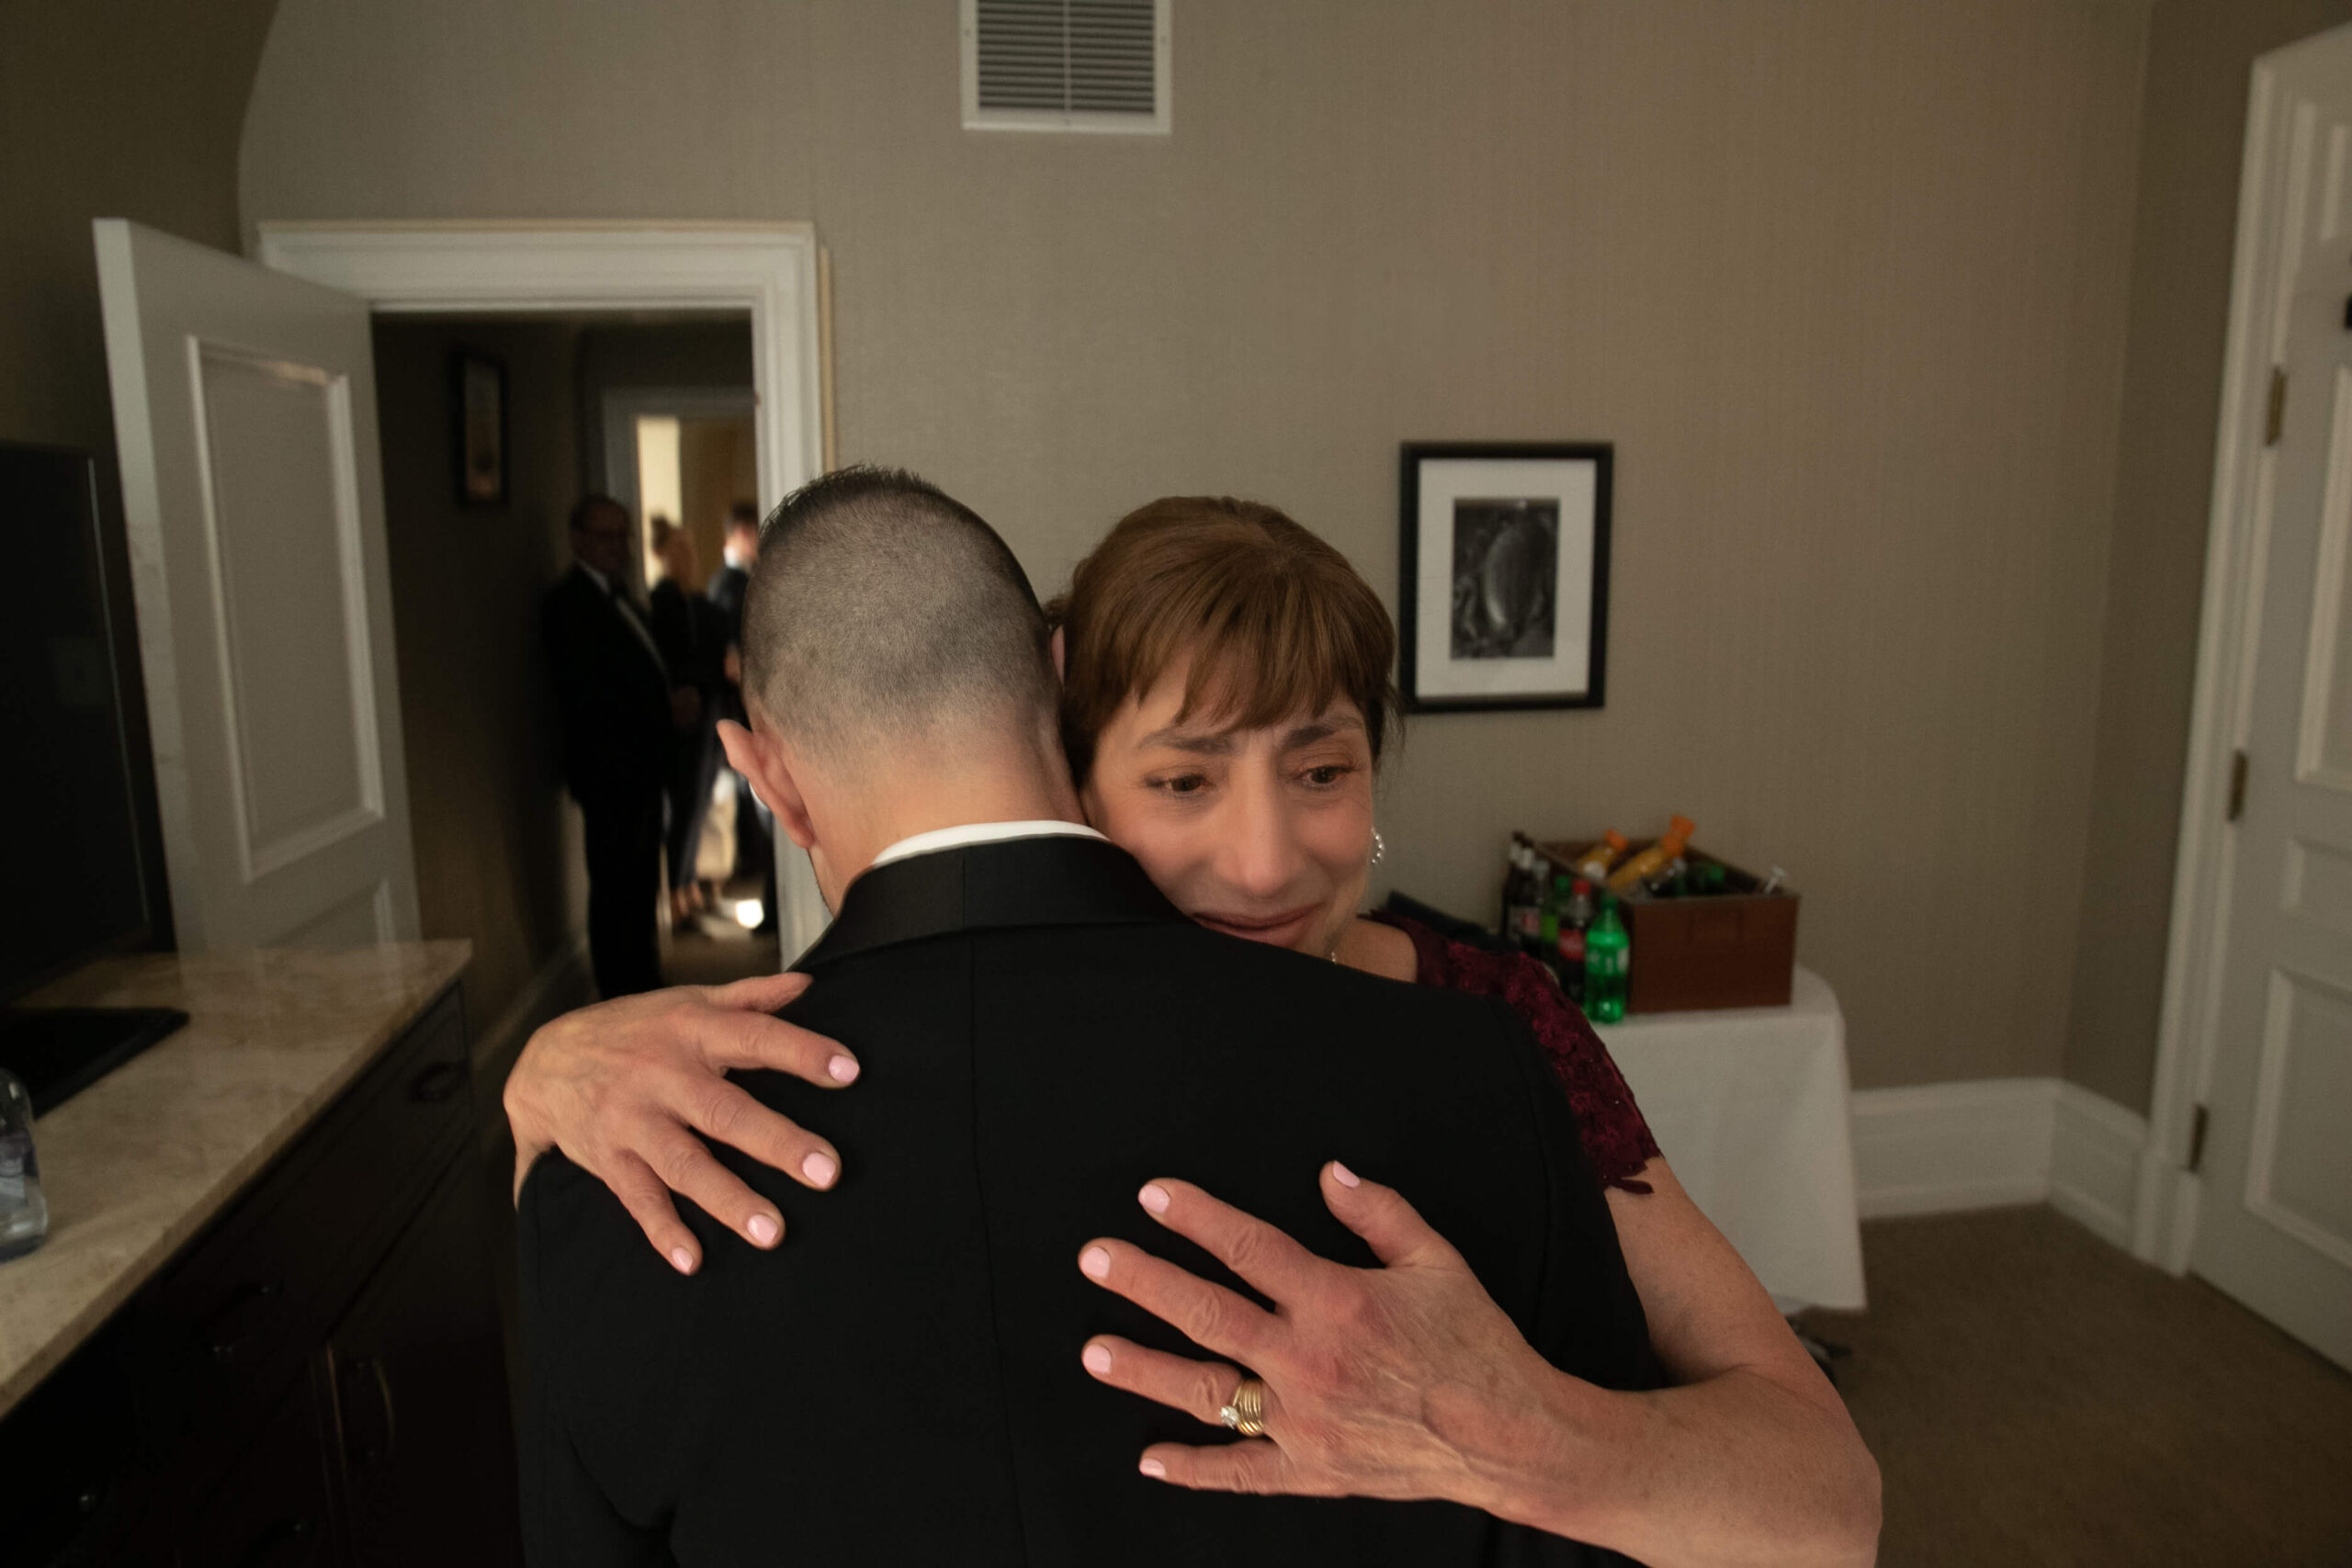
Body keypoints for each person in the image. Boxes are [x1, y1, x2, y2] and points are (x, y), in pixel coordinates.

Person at [509, 493, 1882, 1563]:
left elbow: (1827, 1501)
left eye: (1323, 766)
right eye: (1183, 776)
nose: (1266, 855)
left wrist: (1523, 1431)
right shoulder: (770, 1095)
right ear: (1065, 760)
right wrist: (539, 1068)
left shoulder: (1490, 1027)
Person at [542, 495, 687, 998]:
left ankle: (644, 979)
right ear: (578, 540)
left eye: (623, 534)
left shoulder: (623, 597)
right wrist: (657, 711)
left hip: (643, 770)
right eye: (605, 535)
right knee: (613, 887)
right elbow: (589, 695)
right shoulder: (568, 605)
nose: (617, 546)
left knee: (642, 881)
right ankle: (619, 992)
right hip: (609, 773)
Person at [648, 518, 726, 926]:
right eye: (679, 549)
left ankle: (689, 882)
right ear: (662, 554)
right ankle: (676, 889)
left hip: (711, 713)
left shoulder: (698, 603)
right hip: (682, 721)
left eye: (691, 549)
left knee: (700, 802)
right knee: (684, 802)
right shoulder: (659, 603)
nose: (689, 558)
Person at [707, 501, 777, 932]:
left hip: (747, 716)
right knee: (766, 814)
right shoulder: (730, 587)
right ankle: (772, 913)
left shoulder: (735, 583)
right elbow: (732, 660)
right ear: (744, 532)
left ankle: (772, 910)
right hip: (742, 718)